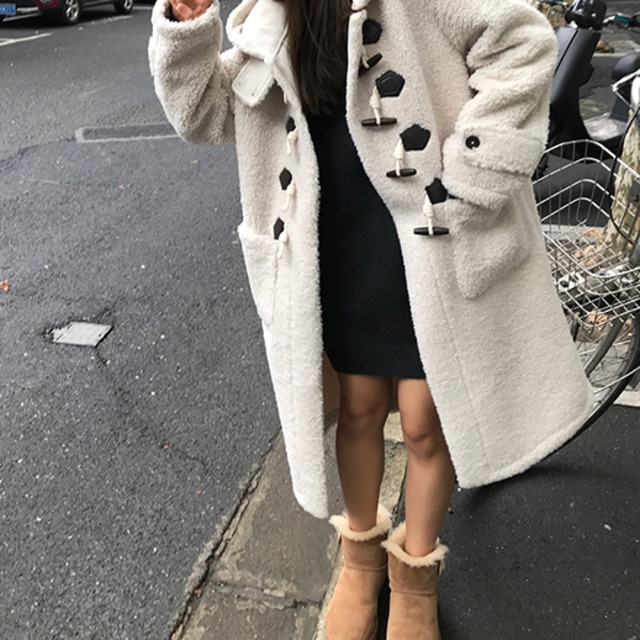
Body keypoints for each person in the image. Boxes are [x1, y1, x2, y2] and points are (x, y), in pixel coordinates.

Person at [149, 0, 594, 637]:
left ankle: (415, 577)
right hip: (339, 242)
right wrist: (186, 26)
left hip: (430, 240)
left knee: (424, 417)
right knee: (358, 406)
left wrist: (473, 171)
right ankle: (361, 562)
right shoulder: (274, 13)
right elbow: (205, 114)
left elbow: (522, 41)